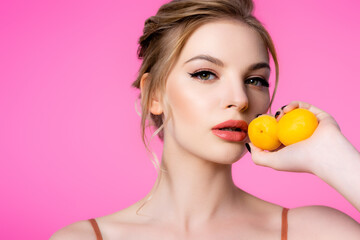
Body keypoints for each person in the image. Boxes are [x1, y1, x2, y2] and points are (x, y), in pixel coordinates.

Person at [50, 0, 360, 239]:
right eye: (205, 74)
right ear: (153, 94)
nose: (239, 99)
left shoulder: (313, 232)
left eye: (255, 80)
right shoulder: (84, 238)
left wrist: (336, 158)